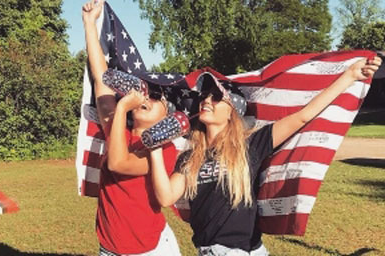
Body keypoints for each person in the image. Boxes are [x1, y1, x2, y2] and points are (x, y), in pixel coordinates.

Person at [149, 56, 382, 256]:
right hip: (217, 251)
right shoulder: (190, 158)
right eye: (205, 96)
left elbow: (303, 116)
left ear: (233, 111)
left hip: (254, 249)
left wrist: (350, 75)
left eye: (216, 97)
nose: (207, 100)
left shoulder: (251, 145)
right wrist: (155, 149)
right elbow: (166, 197)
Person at [82, 1, 182, 255]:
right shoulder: (119, 130)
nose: (146, 97)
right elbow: (101, 79)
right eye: (146, 91)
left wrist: (123, 107)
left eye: (157, 96)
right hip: (110, 247)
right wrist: (89, 25)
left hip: (150, 249)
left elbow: (118, 163)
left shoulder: (164, 150)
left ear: (166, 115)